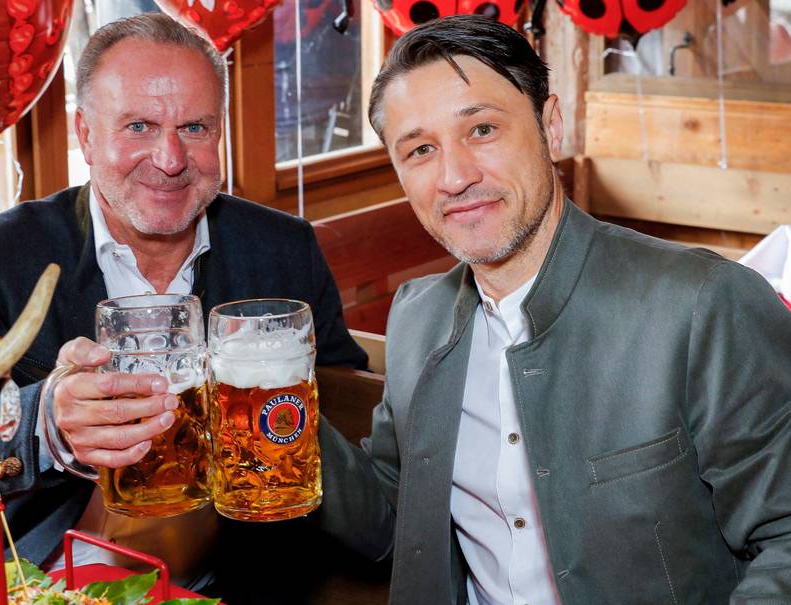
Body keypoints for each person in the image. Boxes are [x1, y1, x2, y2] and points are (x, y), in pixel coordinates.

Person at [317, 15, 791, 605]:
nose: (456, 176)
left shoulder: (704, 304)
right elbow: (395, 515)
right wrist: (278, 414)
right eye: (420, 150)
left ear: (551, 126)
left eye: (483, 129)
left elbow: (785, 537)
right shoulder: (418, 318)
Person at [0, 11, 366, 596]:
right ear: (86, 136)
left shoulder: (283, 247)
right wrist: (48, 423)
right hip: (53, 580)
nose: (171, 159)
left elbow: (346, 398)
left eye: (195, 127)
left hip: (252, 575)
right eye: (140, 126)